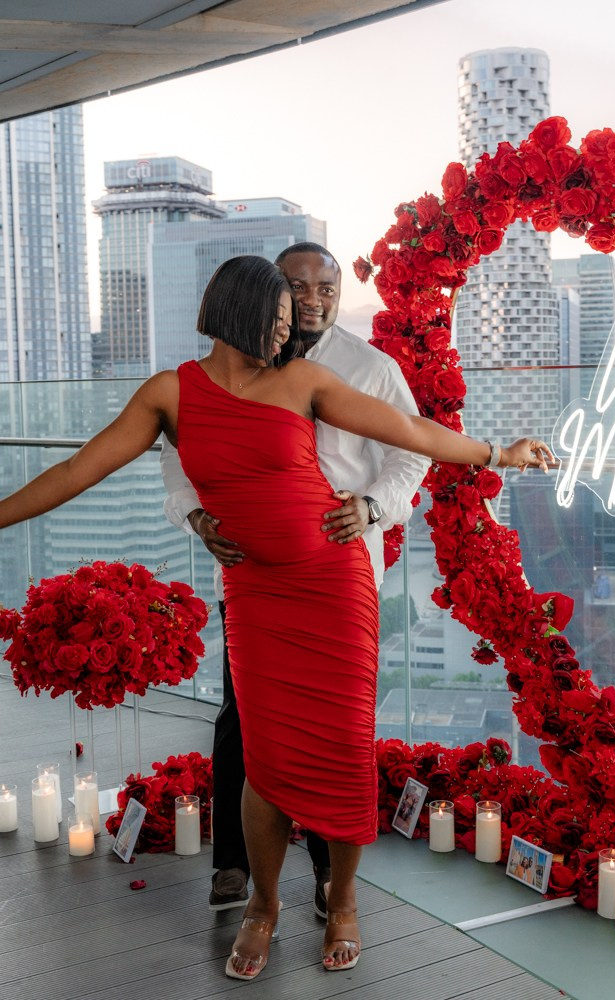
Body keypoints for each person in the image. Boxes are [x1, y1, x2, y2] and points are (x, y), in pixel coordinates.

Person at [0, 255, 552, 981]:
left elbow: (410, 433)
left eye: (296, 322)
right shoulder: (170, 393)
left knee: (344, 751)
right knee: (264, 761)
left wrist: (498, 453)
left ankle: (344, 901)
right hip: (257, 595)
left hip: (334, 584)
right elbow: (78, 471)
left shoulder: (305, 382)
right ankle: (262, 907)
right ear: (236, 312)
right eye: (281, 318)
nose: (290, 332)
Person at [160, 242, 431, 920]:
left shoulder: (369, 368)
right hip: (253, 575)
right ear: (269, 293)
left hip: (338, 576)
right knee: (242, 719)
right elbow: (178, 454)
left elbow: (412, 452)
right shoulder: (226, 365)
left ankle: (326, 884)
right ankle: (235, 867)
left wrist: (371, 506)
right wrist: (194, 513)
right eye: (295, 286)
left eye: (326, 286)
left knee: (336, 733)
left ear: (339, 293)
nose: (311, 299)